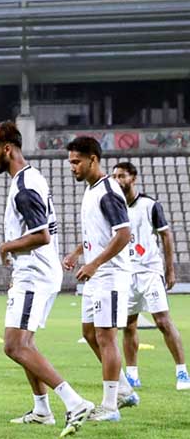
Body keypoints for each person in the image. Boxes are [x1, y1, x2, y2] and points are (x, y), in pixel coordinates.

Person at [0, 121, 94, 437]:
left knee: (14, 346)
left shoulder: (24, 187)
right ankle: (42, 410)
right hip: (32, 272)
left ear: (7, 149)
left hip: (35, 273)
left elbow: (41, 235)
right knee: (24, 344)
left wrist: (6, 247)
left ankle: (74, 402)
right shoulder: (30, 177)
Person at [62, 136, 139, 424]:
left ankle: (109, 406)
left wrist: (94, 263)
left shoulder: (108, 191)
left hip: (111, 275)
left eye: (76, 161)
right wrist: (78, 252)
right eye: (70, 162)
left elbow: (123, 234)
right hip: (97, 274)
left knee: (106, 337)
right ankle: (124, 390)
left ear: (93, 159)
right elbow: (99, 234)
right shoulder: (91, 189)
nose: (72, 167)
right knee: (89, 333)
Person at [111, 161, 188, 391]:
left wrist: (169, 269)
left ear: (133, 178)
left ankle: (182, 372)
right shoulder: (114, 207)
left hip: (150, 272)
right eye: (115, 176)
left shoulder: (150, 205)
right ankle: (133, 375)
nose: (117, 180)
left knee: (162, 321)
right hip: (126, 273)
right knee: (128, 325)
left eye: (122, 176)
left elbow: (166, 236)